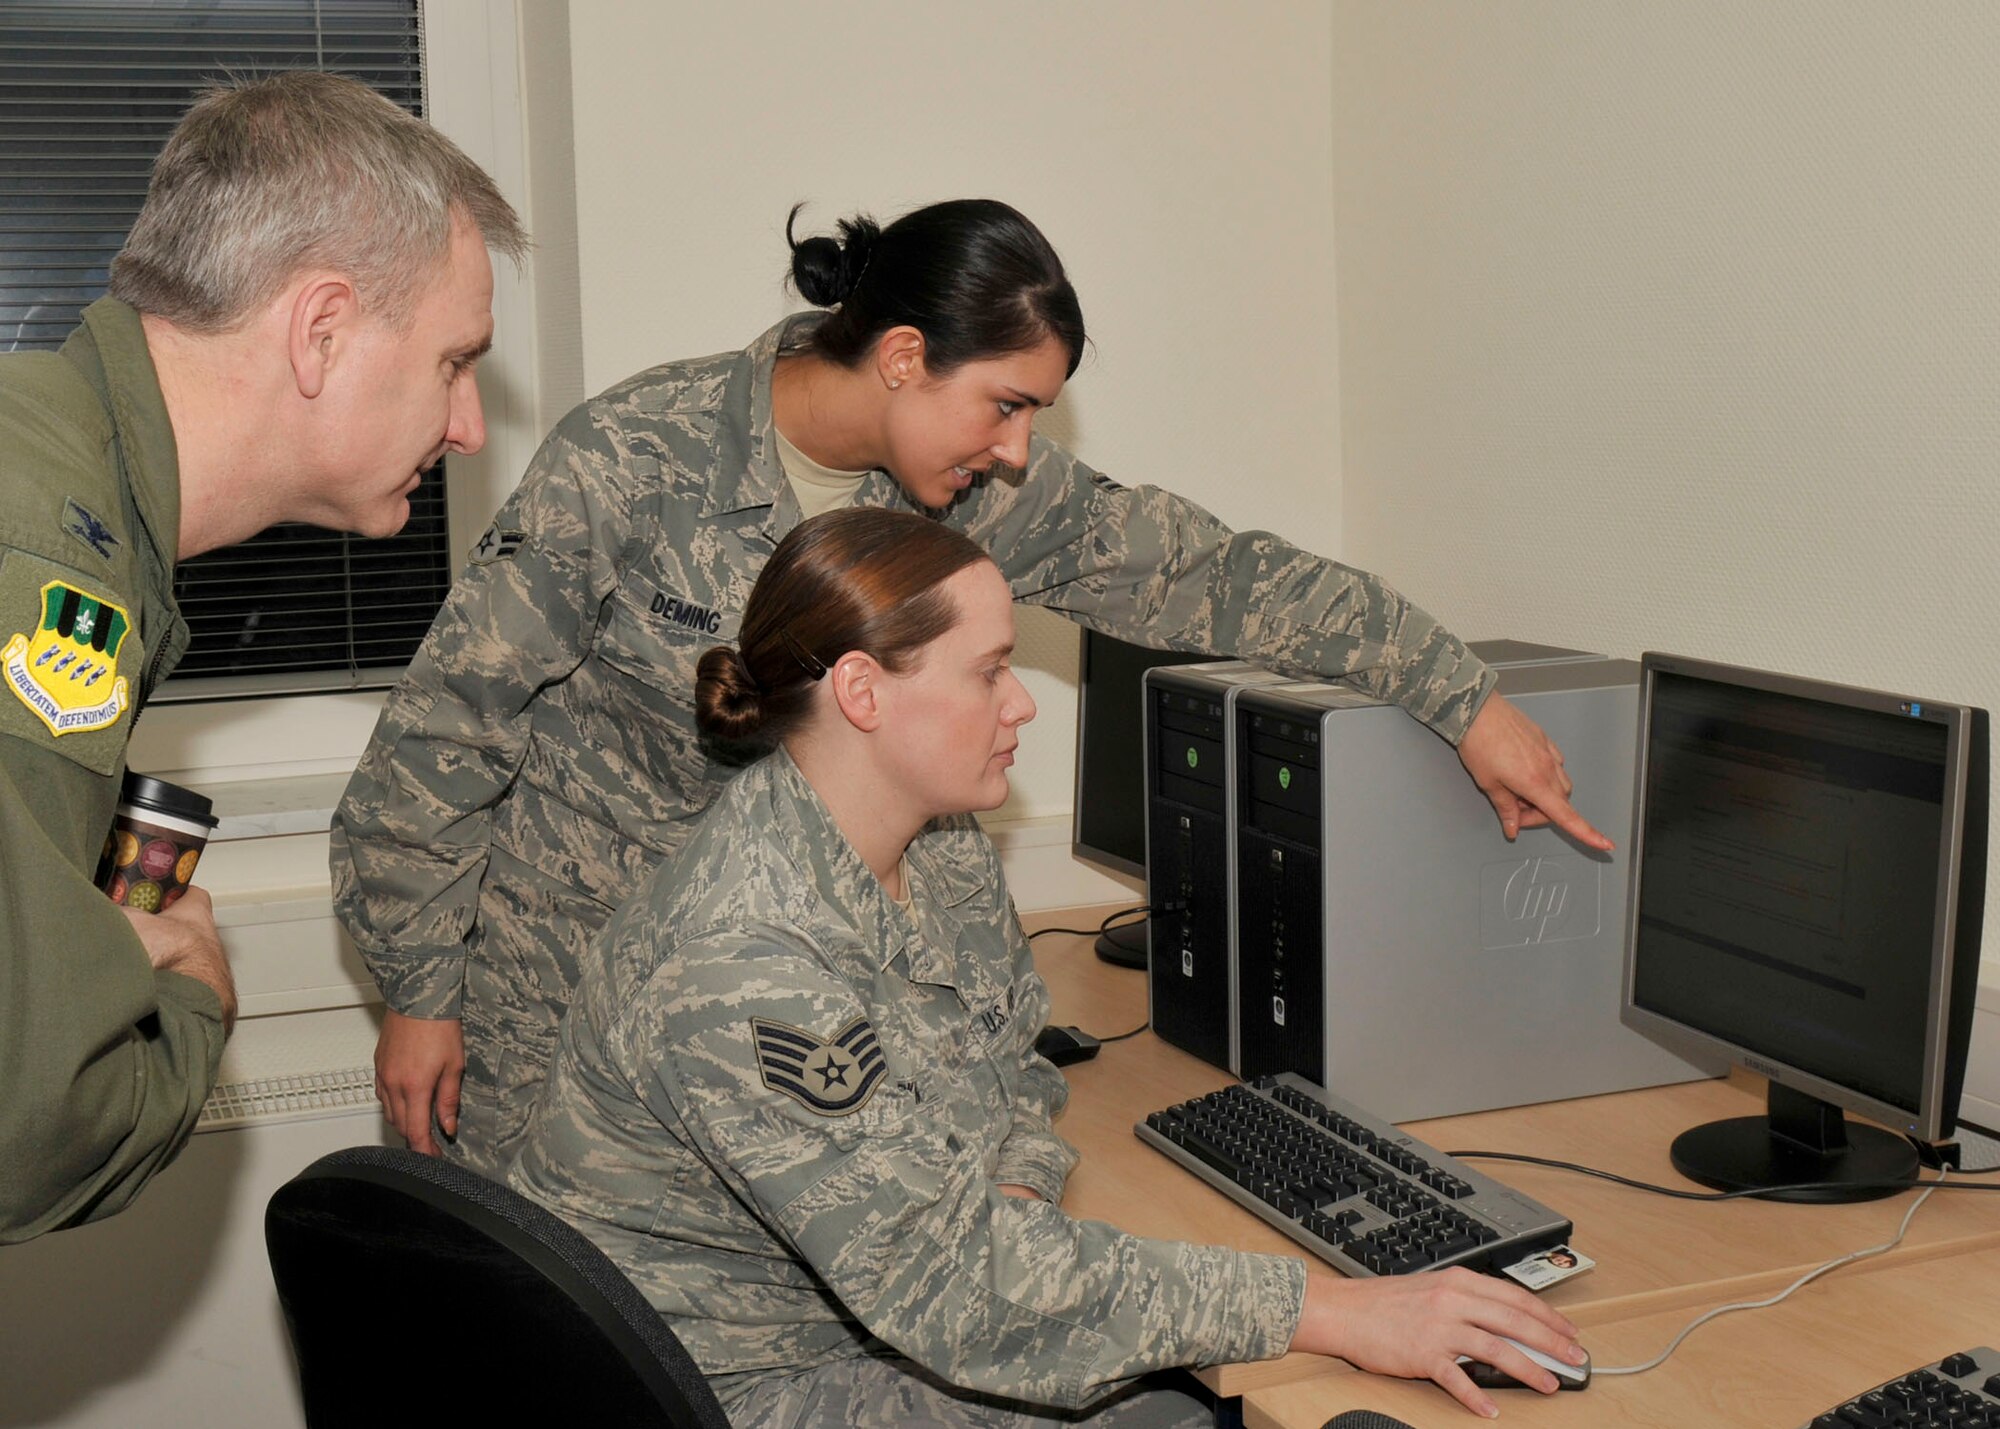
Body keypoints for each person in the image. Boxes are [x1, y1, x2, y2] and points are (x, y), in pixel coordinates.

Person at [334, 198, 1613, 1174]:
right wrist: (419, 994)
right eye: (1003, 405)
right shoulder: (632, 461)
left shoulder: (980, 490)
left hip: (817, 1015)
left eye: (1035, 416)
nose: (1016, 449)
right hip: (569, 996)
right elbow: (451, 726)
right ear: (899, 354)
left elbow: (1217, 578)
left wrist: (1461, 695)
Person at [509, 508, 1587, 1426]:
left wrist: (1015, 1190)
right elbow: (955, 1291)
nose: (1020, 702)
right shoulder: (742, 962)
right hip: (750, 1391)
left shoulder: (928, 843)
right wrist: (1335, 1306)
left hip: (879, 1315)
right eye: (988, 671)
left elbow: (1009, 1064)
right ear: (861, 690)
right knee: (1201, 1404)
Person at [0, 72, 528, 1243]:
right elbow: (26, 1129)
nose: (468, 425)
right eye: (454, 360)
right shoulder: (43, 558)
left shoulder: (55, 473)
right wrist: (191, 999)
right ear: (320, 329)